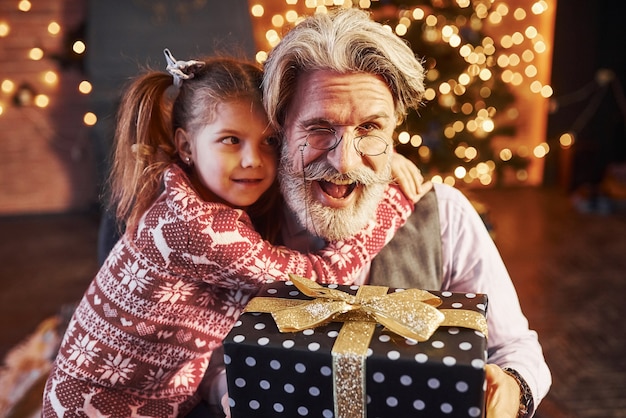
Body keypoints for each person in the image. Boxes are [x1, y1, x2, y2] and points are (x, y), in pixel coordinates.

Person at [41, 49, 424, 417]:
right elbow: (320, 279)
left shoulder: (185, 188)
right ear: (186, 146)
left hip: (155, 397)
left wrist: (370, 160)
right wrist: (392, 200)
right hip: (102, 409)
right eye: (230, 140)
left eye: (269, 142)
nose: (252, 160)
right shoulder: (197, 228)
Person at [258, 8, 551, 418]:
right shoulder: (236, 219)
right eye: (319, 128)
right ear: (281, 128)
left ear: (394, 133)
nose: (344, 162)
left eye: (369, 129)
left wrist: (513, 387)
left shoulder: (444, 216)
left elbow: (514, 347)